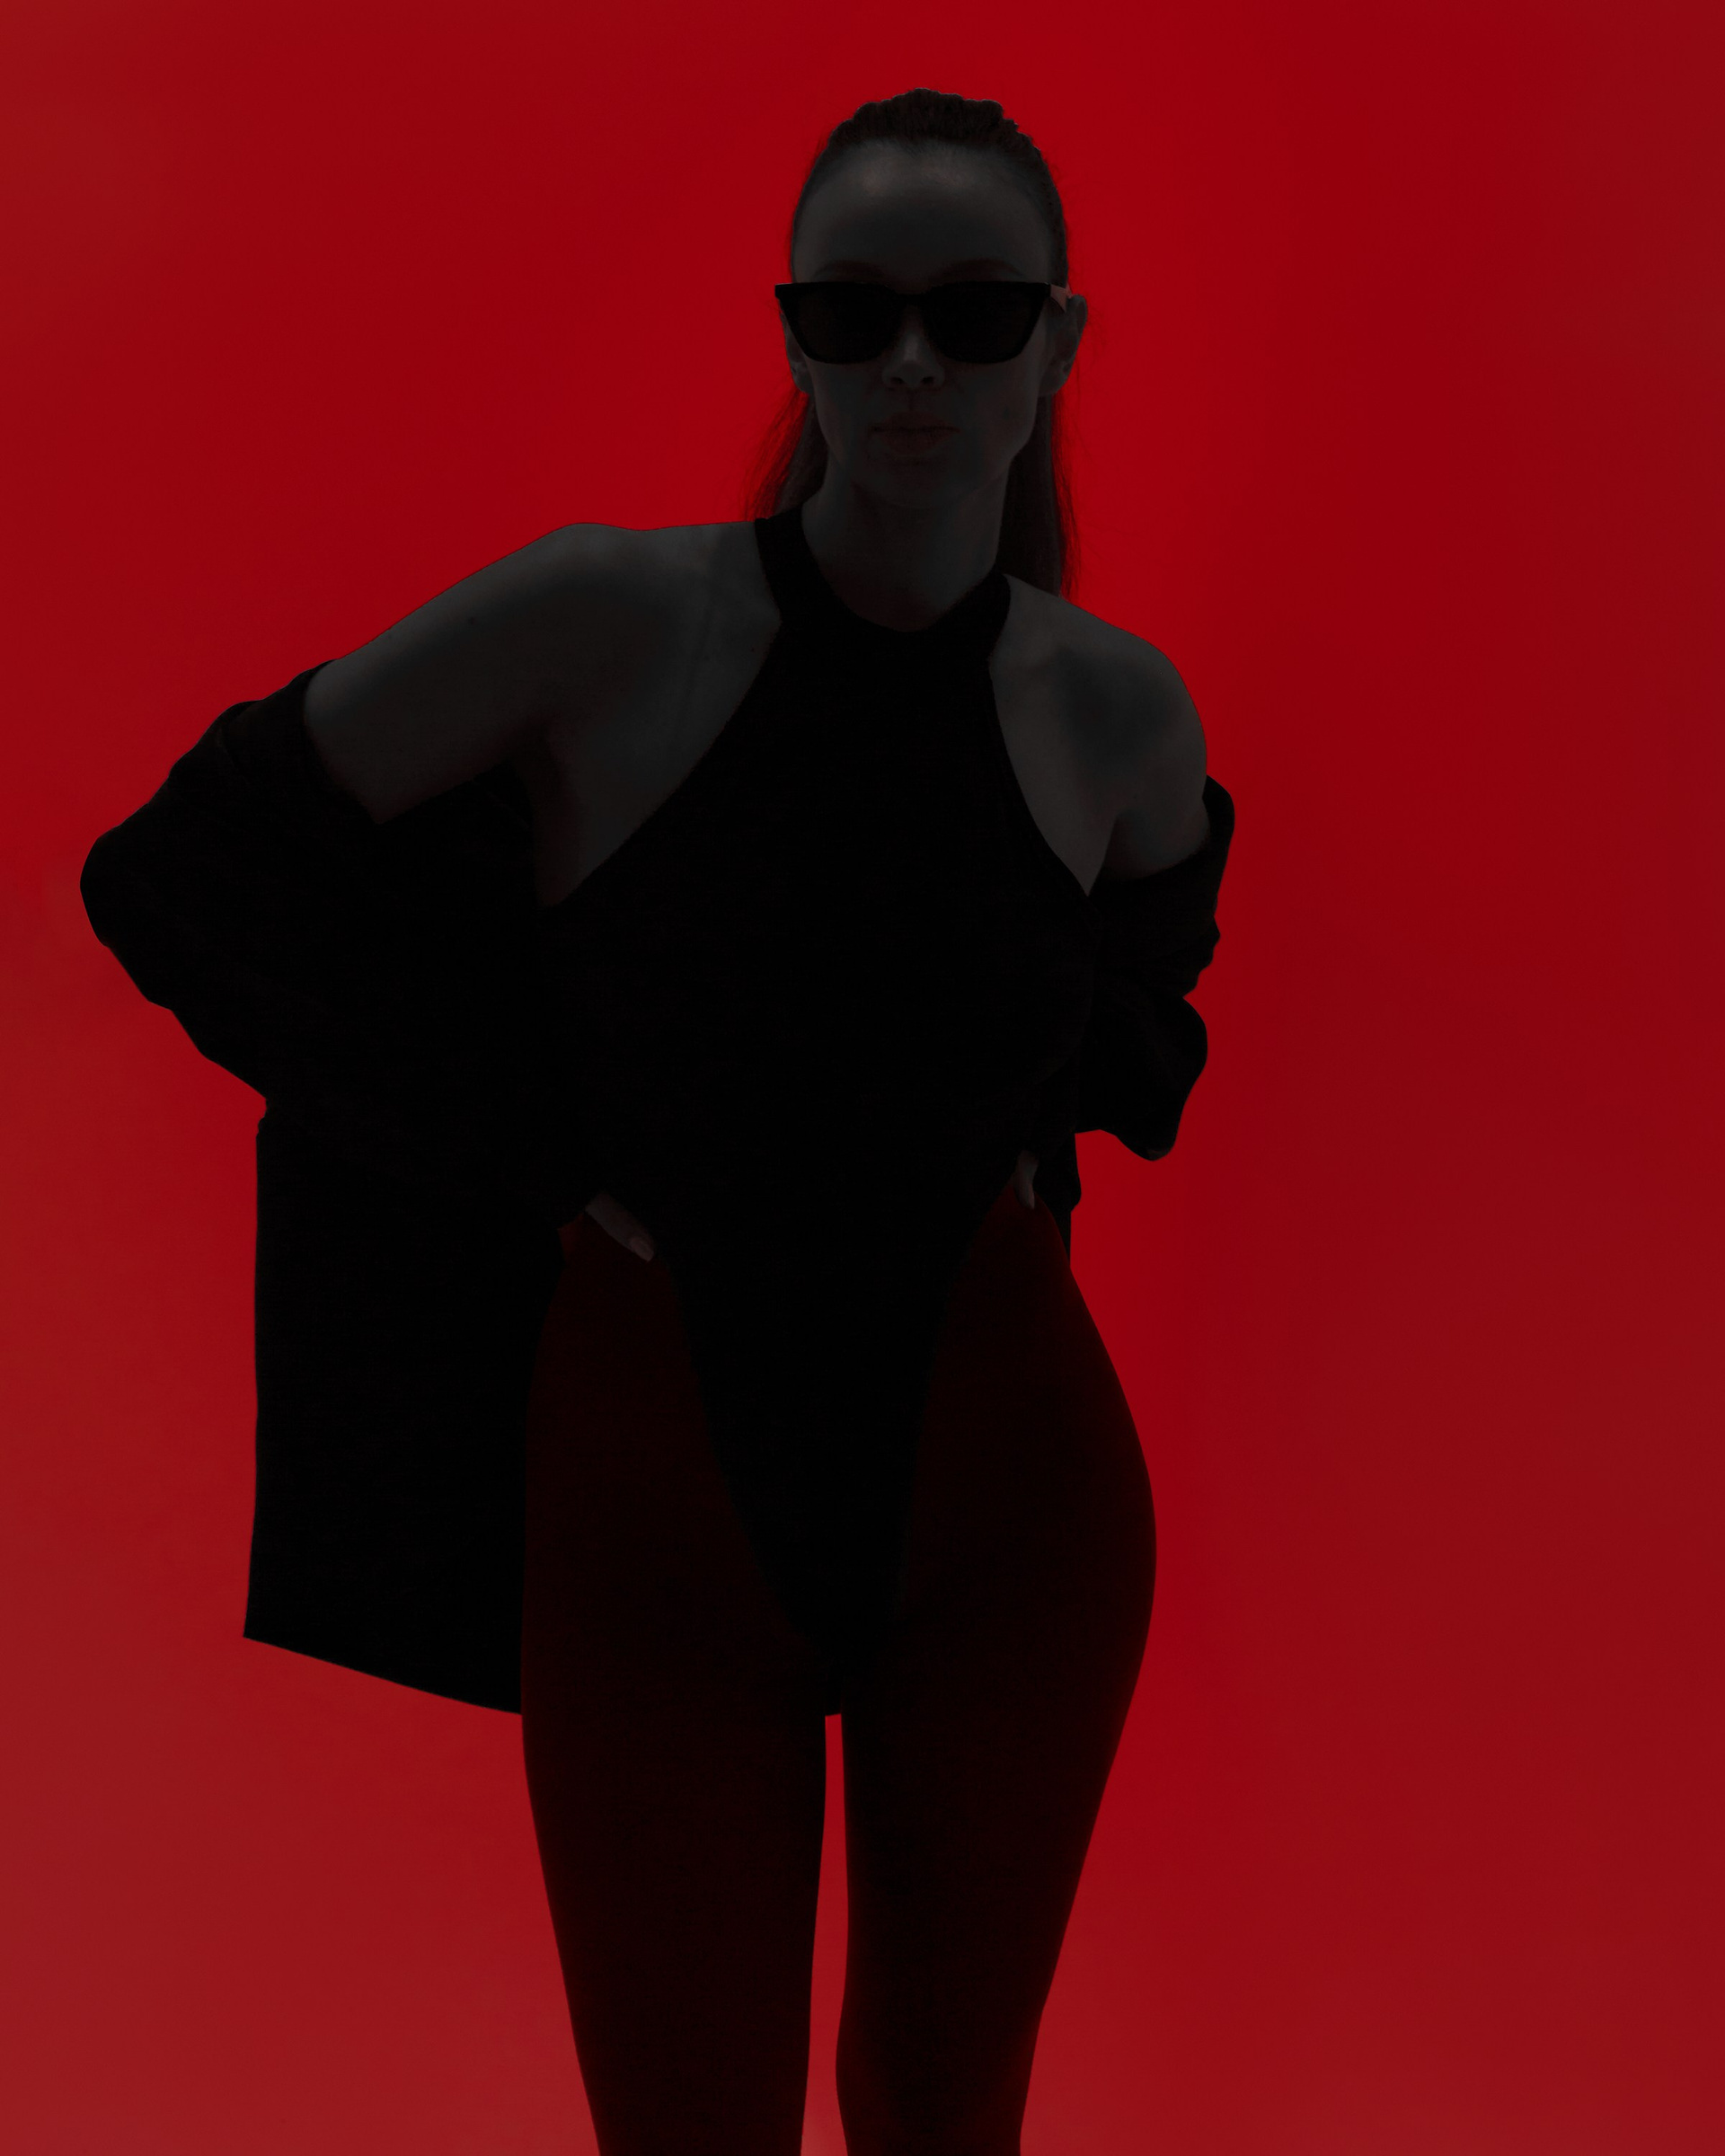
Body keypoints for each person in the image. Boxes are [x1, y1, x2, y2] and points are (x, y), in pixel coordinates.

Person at [82, 84, 1234, 2156]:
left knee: (948, 2117)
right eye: (854, 310)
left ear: (1059, 341)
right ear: (791, 333)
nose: (910, 363)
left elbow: (1116, 1045)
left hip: (1013, 1504)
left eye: (974, 315)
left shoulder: (1122, 718)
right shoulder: (608, 623)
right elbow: (180, 875)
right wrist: (522, 1151)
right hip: (653, 1500)